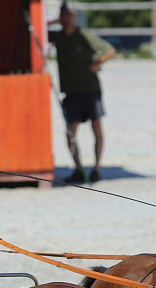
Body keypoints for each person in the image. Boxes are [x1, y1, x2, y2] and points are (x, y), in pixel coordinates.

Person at [48, 2, 116, 184]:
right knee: (71, 132)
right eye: (63, 15)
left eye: (68, 15)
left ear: (74, 17)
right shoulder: (57, 36)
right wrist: (56, 21)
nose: (66, 18)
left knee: (96, 129)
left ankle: (96, 168)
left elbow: (109, 50)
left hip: (90, 90)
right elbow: (36, 30)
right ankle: (78, 168)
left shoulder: (84, 34)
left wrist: (97, 63)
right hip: (71, 92)